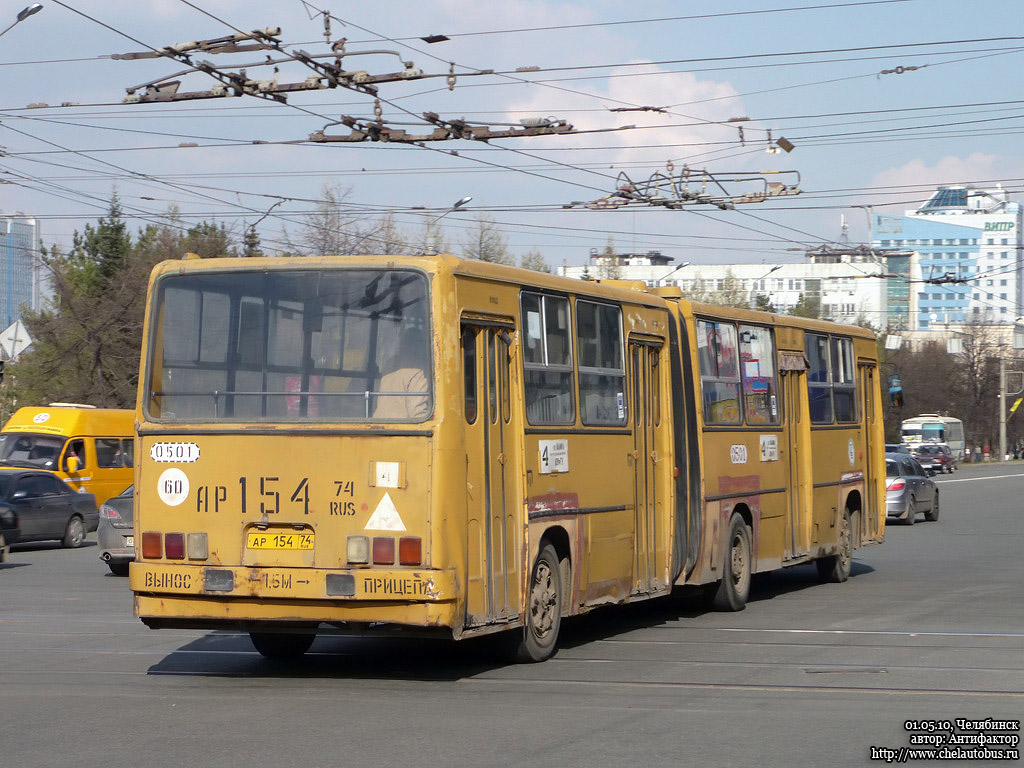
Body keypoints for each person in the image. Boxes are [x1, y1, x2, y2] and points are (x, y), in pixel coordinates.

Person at [373, 330, 430, 419]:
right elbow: (417, 413)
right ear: (418, 345)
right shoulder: (417, 370)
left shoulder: (390, 363)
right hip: (401, 427)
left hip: (379, 423)